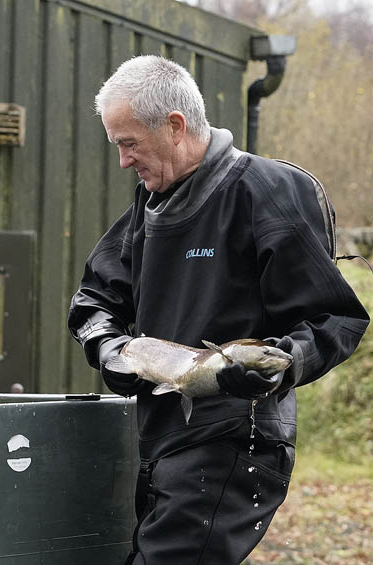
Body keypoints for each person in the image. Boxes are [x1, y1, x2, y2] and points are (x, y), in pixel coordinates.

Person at [68, 55, 369, 564]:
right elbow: (93, 300)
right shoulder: (150, 204)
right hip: (157, 440)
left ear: (176, 126)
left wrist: (280, 364)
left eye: (128, 144)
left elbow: (337, 319)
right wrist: (112, 350)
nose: (123, 161)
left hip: (234, 441)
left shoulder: (268, 191)